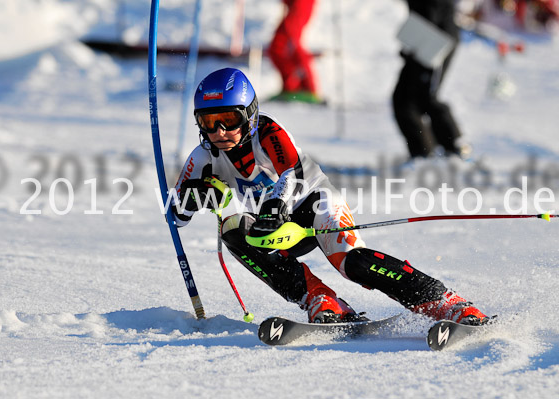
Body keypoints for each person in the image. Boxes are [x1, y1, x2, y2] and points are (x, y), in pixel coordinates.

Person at [171, 67, 490, 325]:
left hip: (315, 205)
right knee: (234, 232)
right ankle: (321, 299)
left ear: (250, 114)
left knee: (352, 261)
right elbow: (175, 217)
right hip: (278, 229)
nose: (218, 132)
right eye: (208, 122)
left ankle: (445, 302)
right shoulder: (204, 157)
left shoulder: (269, 132)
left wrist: (274, 208)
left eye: (228, 119)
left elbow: (291, 174)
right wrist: (189, 200)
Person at [393, 0, 470, 160]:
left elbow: (435, 10)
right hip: (423, 41)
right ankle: (423, 152)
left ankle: (455, 146)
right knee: (403, 99)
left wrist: (417, 46)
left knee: (427, 97)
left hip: (437, 41)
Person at [267, 0, 323, 104]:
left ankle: (309, 88)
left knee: (289, 43)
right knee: (278, 47)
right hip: (297, 4)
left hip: (301, 4)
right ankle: (291, 86)